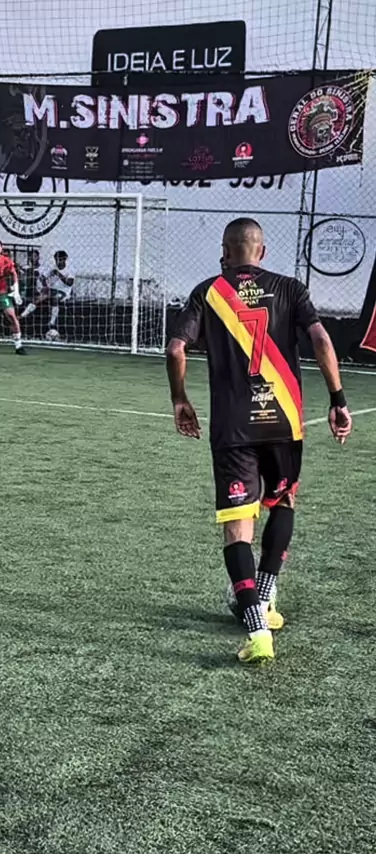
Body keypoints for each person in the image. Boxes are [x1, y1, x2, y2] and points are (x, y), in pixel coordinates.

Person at [166, 217, 352, 665]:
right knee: (284, 502)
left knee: (238, 525)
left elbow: (175, 349)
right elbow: (322, 339)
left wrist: (180, 400)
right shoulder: (291, 288)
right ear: (262, 252)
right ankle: (266, 597)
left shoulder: (209, 291)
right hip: (283, 419)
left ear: (225, 251)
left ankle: (257, 630)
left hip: (234, 427)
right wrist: (338, 399)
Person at [20, 250, 74, 337]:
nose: (58, 262)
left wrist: (58, 274)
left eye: (60, 259)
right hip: (51, 290)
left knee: (55, 297)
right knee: (38, 298)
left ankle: (52, 322)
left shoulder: (70, 269)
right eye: (56, 259)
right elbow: (42, 277)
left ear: (65, 259)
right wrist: (45, 286)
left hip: (64, 292)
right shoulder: (52, 268)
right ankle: (22, 316)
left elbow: (70, 283)